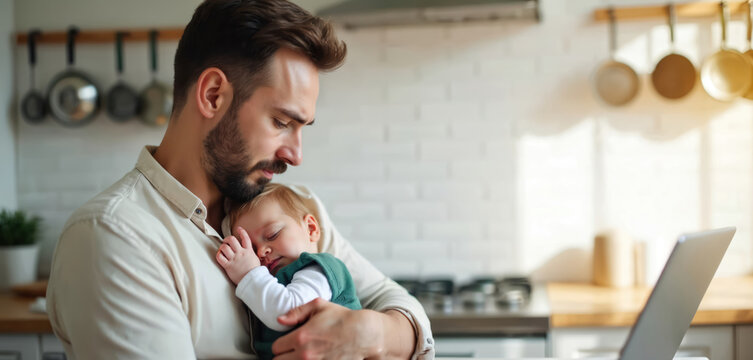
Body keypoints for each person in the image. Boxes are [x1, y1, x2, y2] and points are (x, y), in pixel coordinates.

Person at [45, 0, 434, 359]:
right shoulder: (115, 237)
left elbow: (399, 307)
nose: (295, 155)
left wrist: (371, 334)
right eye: (282, 122)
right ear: (213, 95)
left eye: (302, 128)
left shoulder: (293, 212)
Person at [217, 183, 361, 359]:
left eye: (272, 235)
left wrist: (249, 273)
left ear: (311, 228)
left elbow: (289, 313)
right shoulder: (272, 283)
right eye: (252, 250)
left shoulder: (319, 268)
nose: (261, 252)